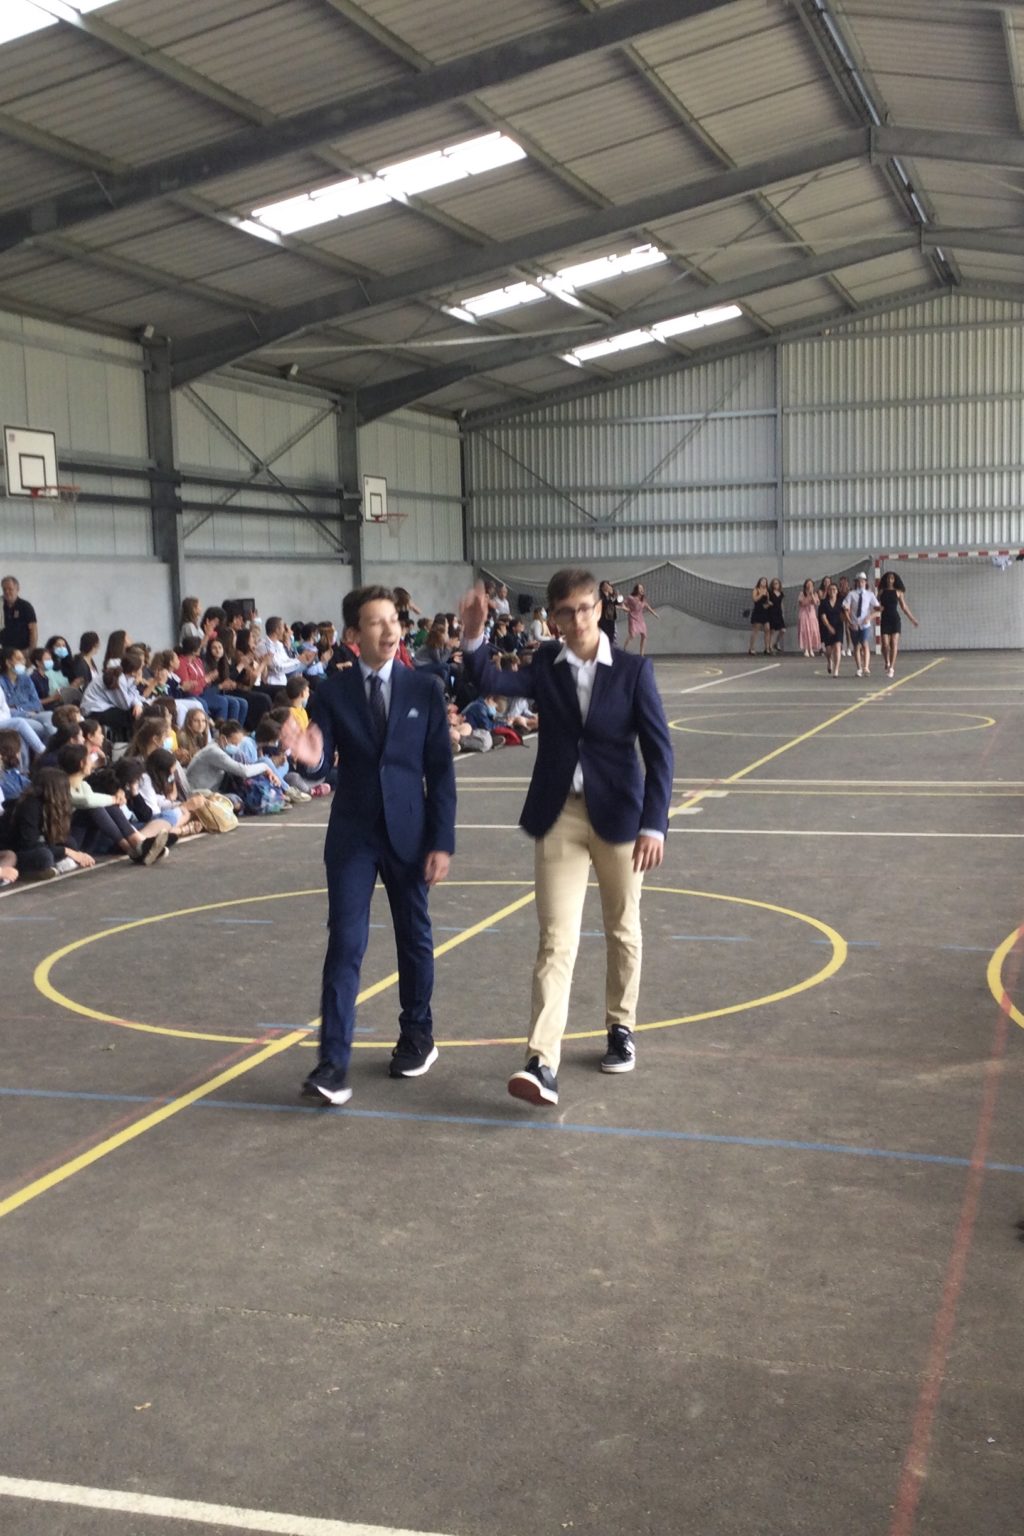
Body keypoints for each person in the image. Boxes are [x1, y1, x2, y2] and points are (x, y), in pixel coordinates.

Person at [459, 568, 673, 1107]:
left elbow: (660, 754)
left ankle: (620, 1026)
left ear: (600, 609)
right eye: (565, 612)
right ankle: (542, 1061)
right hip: (560, 817)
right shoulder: (545, 667)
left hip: (620, 818)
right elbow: (486, 678)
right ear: (553, 619)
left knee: (623, 928)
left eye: (584, 608)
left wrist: (654, 824)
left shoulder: (633, 672)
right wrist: (474, 633)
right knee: (556, 939)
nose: (577, 620)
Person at [281, 585, 456, 1107]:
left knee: (413, 935)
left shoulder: (424, 688)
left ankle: (417, 1034)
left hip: (409, 832)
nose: (390, 629)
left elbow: (440, 772)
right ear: (354, 635)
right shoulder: (333, 691)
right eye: (376, 622)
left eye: (394, 620)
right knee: (346, 942)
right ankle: (332, 1065)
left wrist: (441, 841)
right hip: (353, 835)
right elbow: (322, 757)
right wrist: (310, 758)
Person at [878, 570, 918, 678]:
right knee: (885, 644)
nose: (890, 580)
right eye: (888, 578)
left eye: (892, 578)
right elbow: (875, 604)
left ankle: (891, 667)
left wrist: (912, 619)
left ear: (894, 580)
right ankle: (886, 661)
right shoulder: (881, 592)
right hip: (885, 620)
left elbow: (904, 607)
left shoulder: (898, 592)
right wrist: (877, 608)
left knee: (894, 643)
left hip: (895, 620)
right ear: (886, 580)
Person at [843, 572, 881, 678]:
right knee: (856, 646)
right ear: (856, 582)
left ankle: (866, 667)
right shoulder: (851, 594)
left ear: (865, 582)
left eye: (863, 581)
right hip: (854, 624)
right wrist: (849, 621)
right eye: (859, 581)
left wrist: (869, 617)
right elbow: (845, 608)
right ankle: (859, 668)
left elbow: (878, 609)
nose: (861, 583)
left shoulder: (870, 594)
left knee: (864, 643)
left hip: (865, 624)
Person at [1, 575, 37, 651]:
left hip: (22, 651)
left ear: (17, 589)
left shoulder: (25, 606)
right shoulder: (1, 606)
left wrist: (31, 651)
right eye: (4, 589)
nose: (7, 592)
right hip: (4, 650)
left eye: (10, 589)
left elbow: (33, 630)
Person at [623, 583, 659, 655]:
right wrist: (625, 609)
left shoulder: (643, 599)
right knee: (632, 635)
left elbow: (647, 606)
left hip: (640, 619)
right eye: (640, 588)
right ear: (636, 590)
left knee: (644, 635)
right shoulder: (631, 598)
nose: (642, 590)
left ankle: (641, 655)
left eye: (642, 588)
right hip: (633, 618)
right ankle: (624, 650)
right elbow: (623, 603)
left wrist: (654, 614)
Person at [817, 582, 844, 677]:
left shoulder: (841, 601)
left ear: (837, 591)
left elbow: (844, 614)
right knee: (828, 650)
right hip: (827, 627)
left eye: (834, 589)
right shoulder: (824, 603)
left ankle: (836, 670)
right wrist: (829, 627)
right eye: (830, 589)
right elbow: (823, 616)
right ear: (828, 591)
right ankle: (829, 660)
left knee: (837, 647)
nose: (832, 591)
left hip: (838, 627)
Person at [797, 580, 821, 658]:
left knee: (812, 631)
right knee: (805, 631)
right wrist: (808, 596)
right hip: (804, 614)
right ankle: (806, 649)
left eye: (811, 584)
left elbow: (815, 603)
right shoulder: (802, 594)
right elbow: (802, 603)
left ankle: (811, 649)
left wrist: (812, 594)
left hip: (812, 615)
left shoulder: (815, 594)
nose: (809, 585)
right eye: (808, 584)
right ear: (805, 585)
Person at [748, 578, 771, 655]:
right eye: (762, 581)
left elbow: (766, 602)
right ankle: (751, 648)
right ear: (759, 582)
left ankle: (767, 648)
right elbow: (755, 599)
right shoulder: (756, 590)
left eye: (765, 581)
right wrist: (761, 594)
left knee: (767, 628)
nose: (764, 583)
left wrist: (769, 604)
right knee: (756, 630)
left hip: (764, 612)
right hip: (757, 611)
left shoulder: (767, 591)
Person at [597, 580, 623, 646]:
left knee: (611, 637)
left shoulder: (609, 597)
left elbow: (618, 603)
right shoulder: (601, 597)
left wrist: (618, 596)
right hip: (603, 621)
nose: (609, 587)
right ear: (603, 588)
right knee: (606, 637)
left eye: (609, 585)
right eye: (607, 585)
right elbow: (606, 604)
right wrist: (613, 598)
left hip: (610, 619)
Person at [766, 578, 786, 654]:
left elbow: (781, 604)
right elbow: (767, 601)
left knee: (783, 630)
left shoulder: (781, 593)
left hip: (779, 613)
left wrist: (783, 612)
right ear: (772, 585)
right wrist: (768, 603)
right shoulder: (770, 592)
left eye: (777, 583)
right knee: (772, 630)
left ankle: (776, 643)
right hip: (772, 612)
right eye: (774, 583)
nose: (776, 585)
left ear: (779, 585)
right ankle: (770, 647)